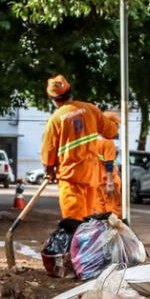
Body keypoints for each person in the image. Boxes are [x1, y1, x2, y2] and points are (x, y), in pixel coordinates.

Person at [40, 76, 119, 221]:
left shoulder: (56, 119)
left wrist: (49, 170)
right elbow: (112, 132)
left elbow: (48, 150)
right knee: (86, 220)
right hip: (91, 176)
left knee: (73, 223)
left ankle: (74, 243)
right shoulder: (91, 109)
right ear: (71, 92)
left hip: (70, 178)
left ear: (53, 99)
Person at [96, 111, 123, 217]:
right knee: (114, 214)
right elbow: (108, 164)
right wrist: (110, 182)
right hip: (108, 182)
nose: (117, 128)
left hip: (96, 184)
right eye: (116, 125)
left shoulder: (93, 140)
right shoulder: (108, 142)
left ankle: (105, 233)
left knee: (100, 214)